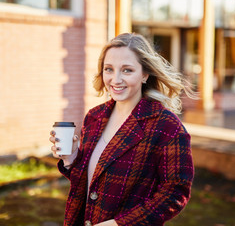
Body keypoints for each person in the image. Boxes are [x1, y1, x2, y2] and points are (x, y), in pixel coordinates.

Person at [50, 33, 194, 226]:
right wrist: (72, 158)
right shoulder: (95, 117)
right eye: (108, 69)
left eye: (127, 70)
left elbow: (175, 193)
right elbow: (91, 183)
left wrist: (119, 224)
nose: (115, 80)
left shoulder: (167, 126)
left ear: (145, 74)